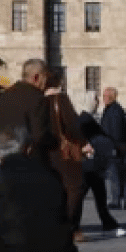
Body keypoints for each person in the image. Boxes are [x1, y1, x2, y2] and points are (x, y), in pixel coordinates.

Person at [44, 69, 87, 240]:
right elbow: (72, 125)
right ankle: (70, 226)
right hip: (64, 153)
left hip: (46, 152)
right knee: (75, 188)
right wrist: (83, 143)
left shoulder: (37, 100)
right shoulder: (60, 99)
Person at [78, 112, 124, 238]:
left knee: (82, 200)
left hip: (89, 172)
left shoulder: (86, 137)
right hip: (93, 172)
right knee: (99, 200)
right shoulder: (99, 137)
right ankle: (109, 224)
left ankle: (108, 224)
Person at [0, 58, 51, 158]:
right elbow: (39, 135)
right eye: (45, 77)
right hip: (28, 157)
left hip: (6, 155)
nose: (46, 82)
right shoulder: (37, 98)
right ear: (36, 77)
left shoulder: (6, 95)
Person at [101, 87, 126, 209]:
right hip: (121, 146)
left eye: (104, 96)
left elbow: (115, 132)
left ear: (110, 97)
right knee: (123, 175)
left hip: (116, 147)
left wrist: (110, 145)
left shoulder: (114, 111)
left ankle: (116, 200)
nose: (103, 98)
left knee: (114, 175)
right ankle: (125, 200)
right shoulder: (114, 109)